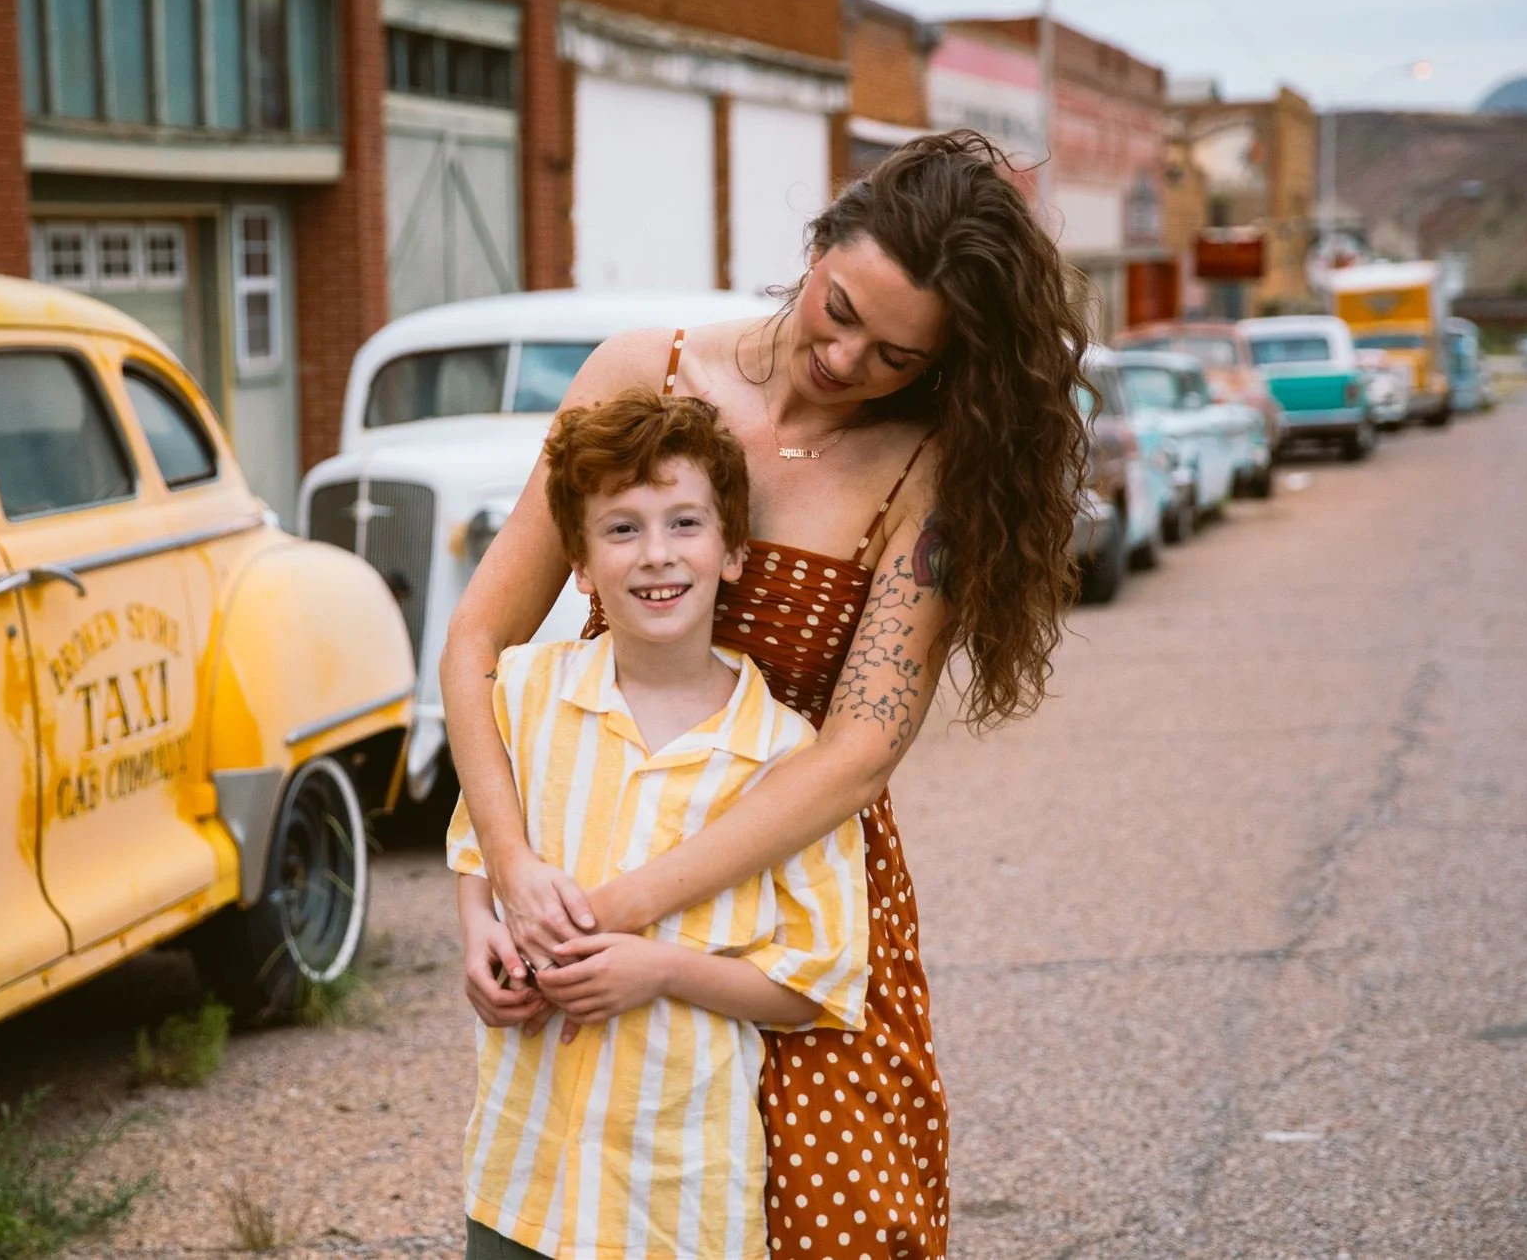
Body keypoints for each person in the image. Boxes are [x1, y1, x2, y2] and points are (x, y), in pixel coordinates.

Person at [443, 130, 1092, 1259]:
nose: (844, 361)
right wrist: (507, 877)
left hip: (792, 892)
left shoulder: (922, 464)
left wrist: (623, 907)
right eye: (838, 309)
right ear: (818, 242)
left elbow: (859, 751)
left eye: (896, 357)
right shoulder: (637, 377)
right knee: (572, 1203)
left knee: (841, 1221)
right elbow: (476, 642)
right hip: (604, 824)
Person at [447, 389, 870, 1260]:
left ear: (734, 550)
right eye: (622, 528)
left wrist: (662, 969)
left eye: (684, 522)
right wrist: (478, 938)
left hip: (677, 1194)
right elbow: (478, 847)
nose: (656, 555)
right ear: (579, 562)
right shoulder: (528, 693)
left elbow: (816, 984)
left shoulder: (787, 756)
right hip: (524, 1171)